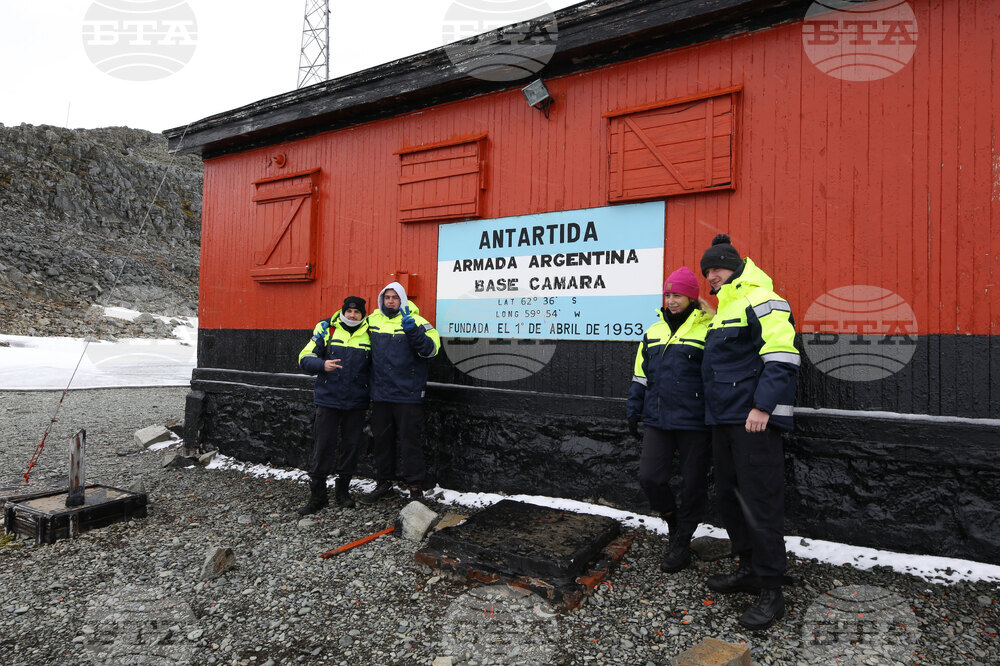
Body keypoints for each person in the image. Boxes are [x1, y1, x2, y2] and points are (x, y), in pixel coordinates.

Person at [699, 233, 800, 631]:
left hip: (752, 421)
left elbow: (782, 355)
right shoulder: (723, 308)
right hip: (723, 421)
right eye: (707, 271)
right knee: (730, 497)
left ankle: (772, 590)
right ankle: (748, 569)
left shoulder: (763, 297)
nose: (712, 276)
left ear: (735, 266)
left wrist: (763, 406)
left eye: (717, 268)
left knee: (760, 502)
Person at [626, 266, 713, 574]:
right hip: (658, 419)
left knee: (693, 484)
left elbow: (715, 377)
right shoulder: (653, 332)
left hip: (696, 423)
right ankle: (673, 520)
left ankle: (682, 541)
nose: (671, 300)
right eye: (668, 294)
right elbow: (641, 374)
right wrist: (634, 407)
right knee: (649, 477)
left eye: (678, 295)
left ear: (691, 297)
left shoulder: (709, 330)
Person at [360, 281, 441, 502]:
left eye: (395, 297)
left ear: (403, 300)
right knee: (381, 442)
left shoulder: (418, 321)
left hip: (408, 394)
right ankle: (383, 483)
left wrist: (412, 330)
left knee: (410, 442)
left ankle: (415, 487)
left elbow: (431, 350)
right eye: (387, 297)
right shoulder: (371, 321)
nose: (390, 301)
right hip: (380, 394)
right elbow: (351, 332)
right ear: (381, 299)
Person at [296, 296, 372, 514]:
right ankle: (318, 495)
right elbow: (304, 358)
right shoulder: (327, 331)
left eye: (357, 312)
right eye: (349, 311)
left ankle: (343, 492)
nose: (352, 315)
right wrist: (322, 364)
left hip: (356, 402)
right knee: (323, 447)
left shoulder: (370, 335)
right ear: (343, 312)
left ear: (362, 314)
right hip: (328, 400)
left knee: (351, 447)